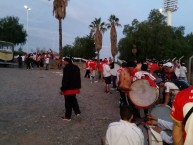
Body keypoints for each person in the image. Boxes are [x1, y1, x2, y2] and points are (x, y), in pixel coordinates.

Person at [60, 57, 81, 122]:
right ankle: (77, 113)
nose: (63, 62)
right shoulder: (76, 67)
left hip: (68, 88)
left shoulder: (66, 68)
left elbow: (65, 79)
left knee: (68, 103)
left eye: (64, 61)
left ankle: (68, 117)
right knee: (74, 100)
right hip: (75, 87)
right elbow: (78, 78)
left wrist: (62, 88)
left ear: (67, 61)